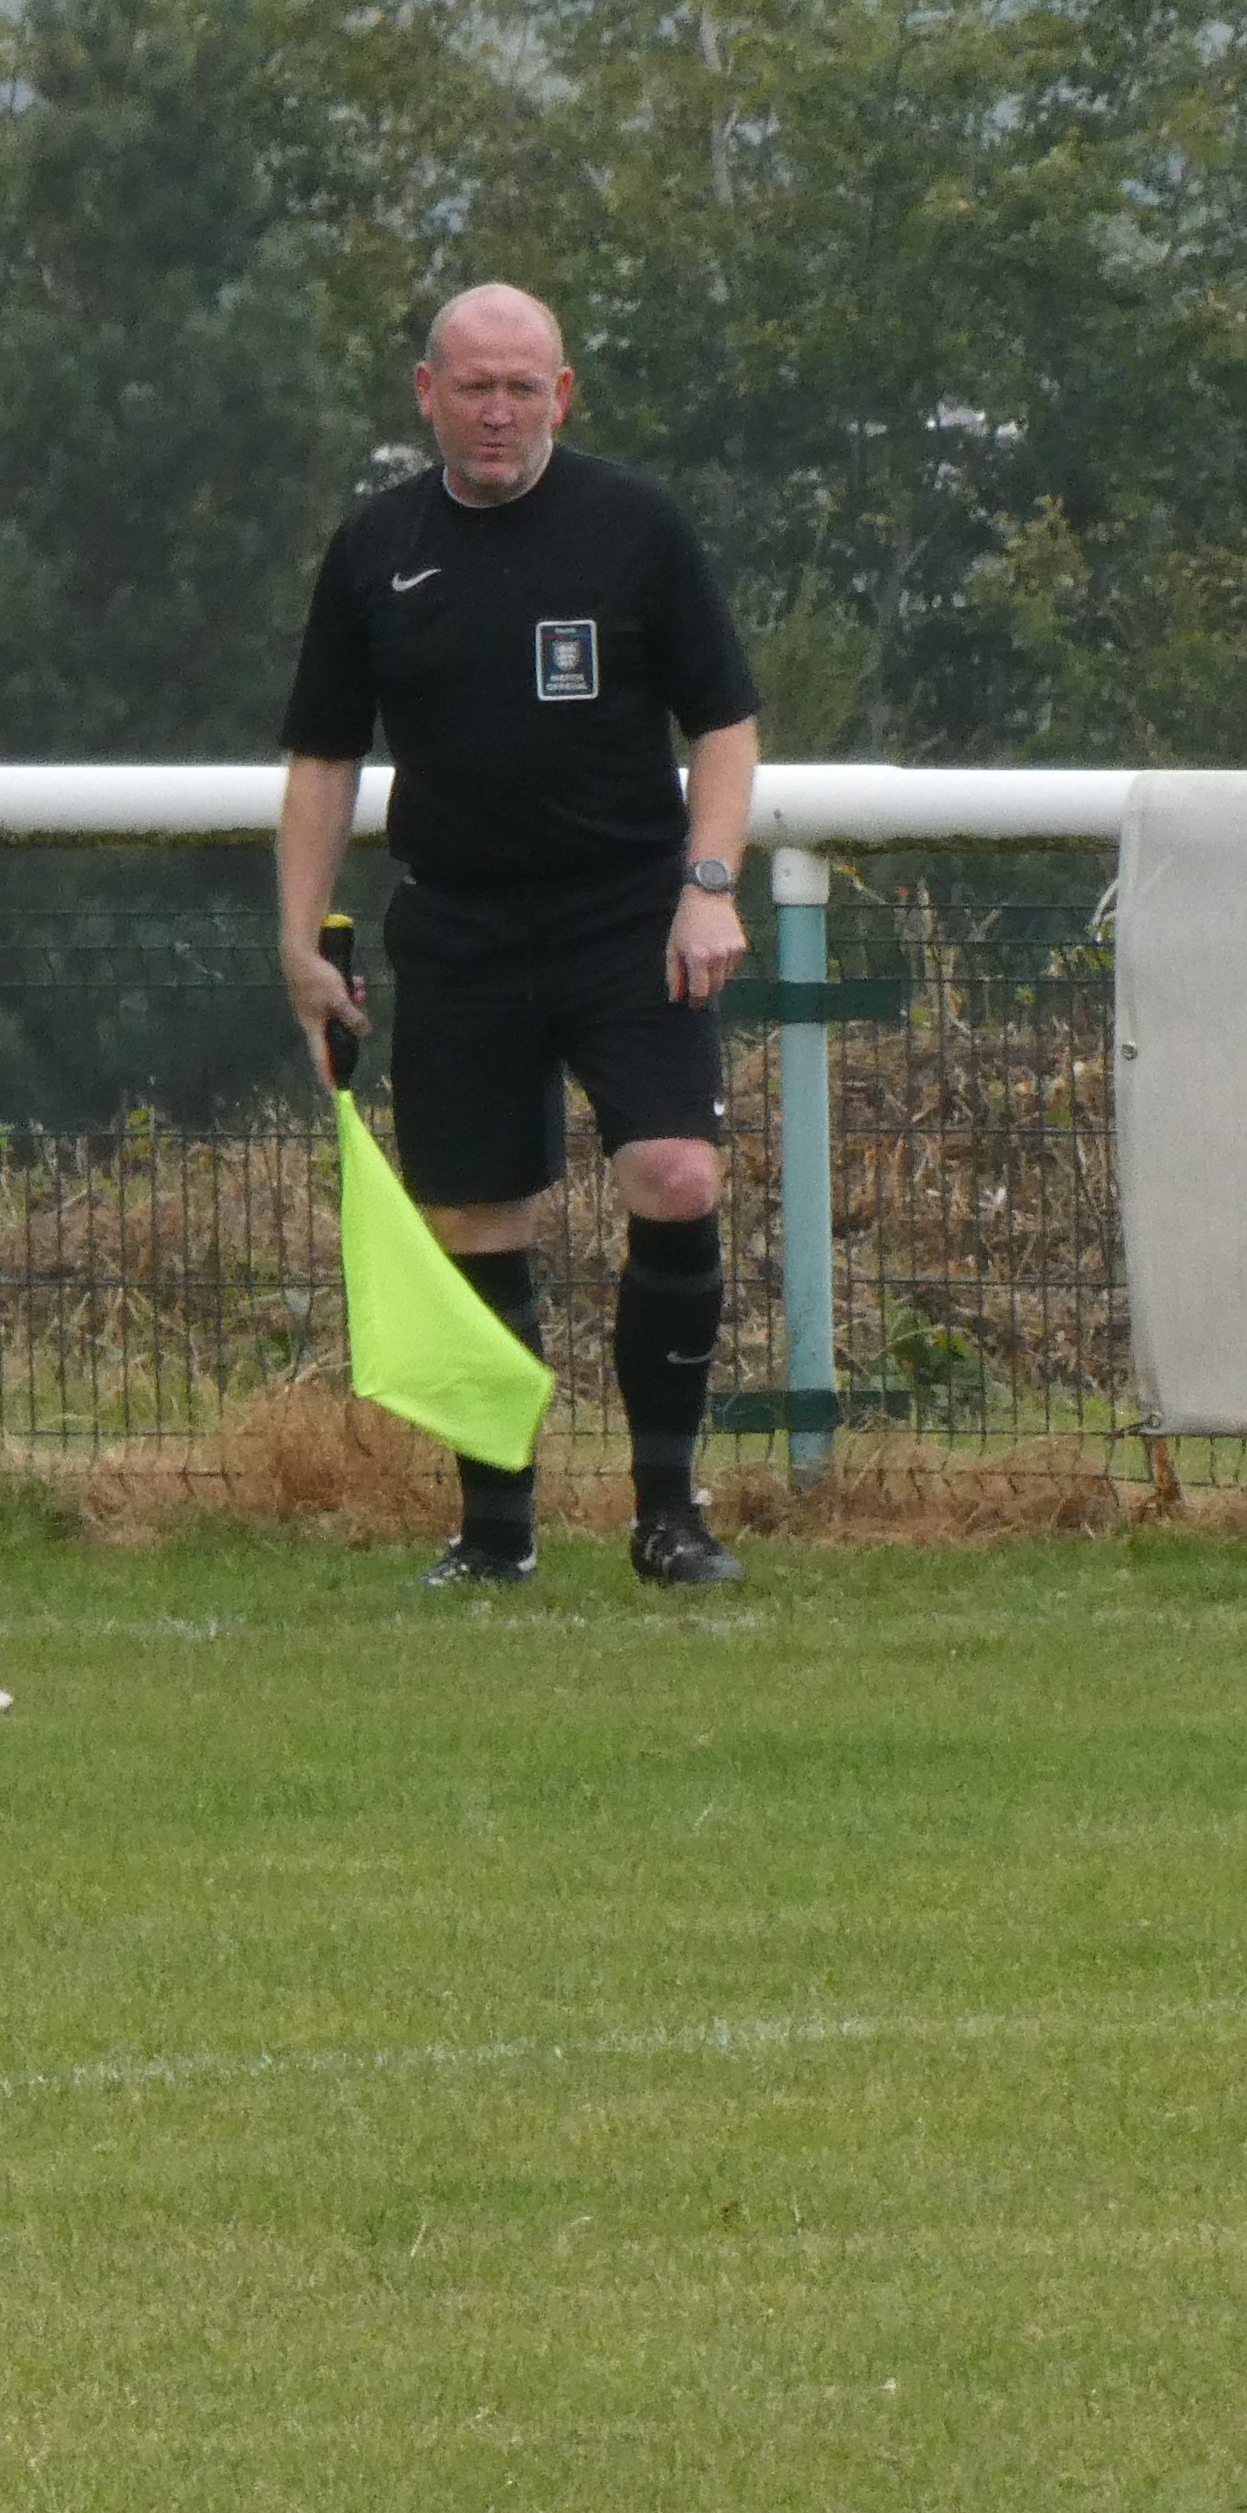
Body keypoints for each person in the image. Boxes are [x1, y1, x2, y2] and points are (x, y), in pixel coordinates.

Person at [277, 282, 764, 1588]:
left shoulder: (637, 527)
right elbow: (323, 757)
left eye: (524, 385)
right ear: (427, 391)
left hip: (627, 915)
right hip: (459, 928)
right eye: (474, 384)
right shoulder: (375, 547)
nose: (500, 409)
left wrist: (708, 879)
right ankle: (496, 1532)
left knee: (675, 1173)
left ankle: (670, 1516)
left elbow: (725, 723)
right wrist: (297, 942)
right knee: (476, 1216)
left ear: (564, 393)